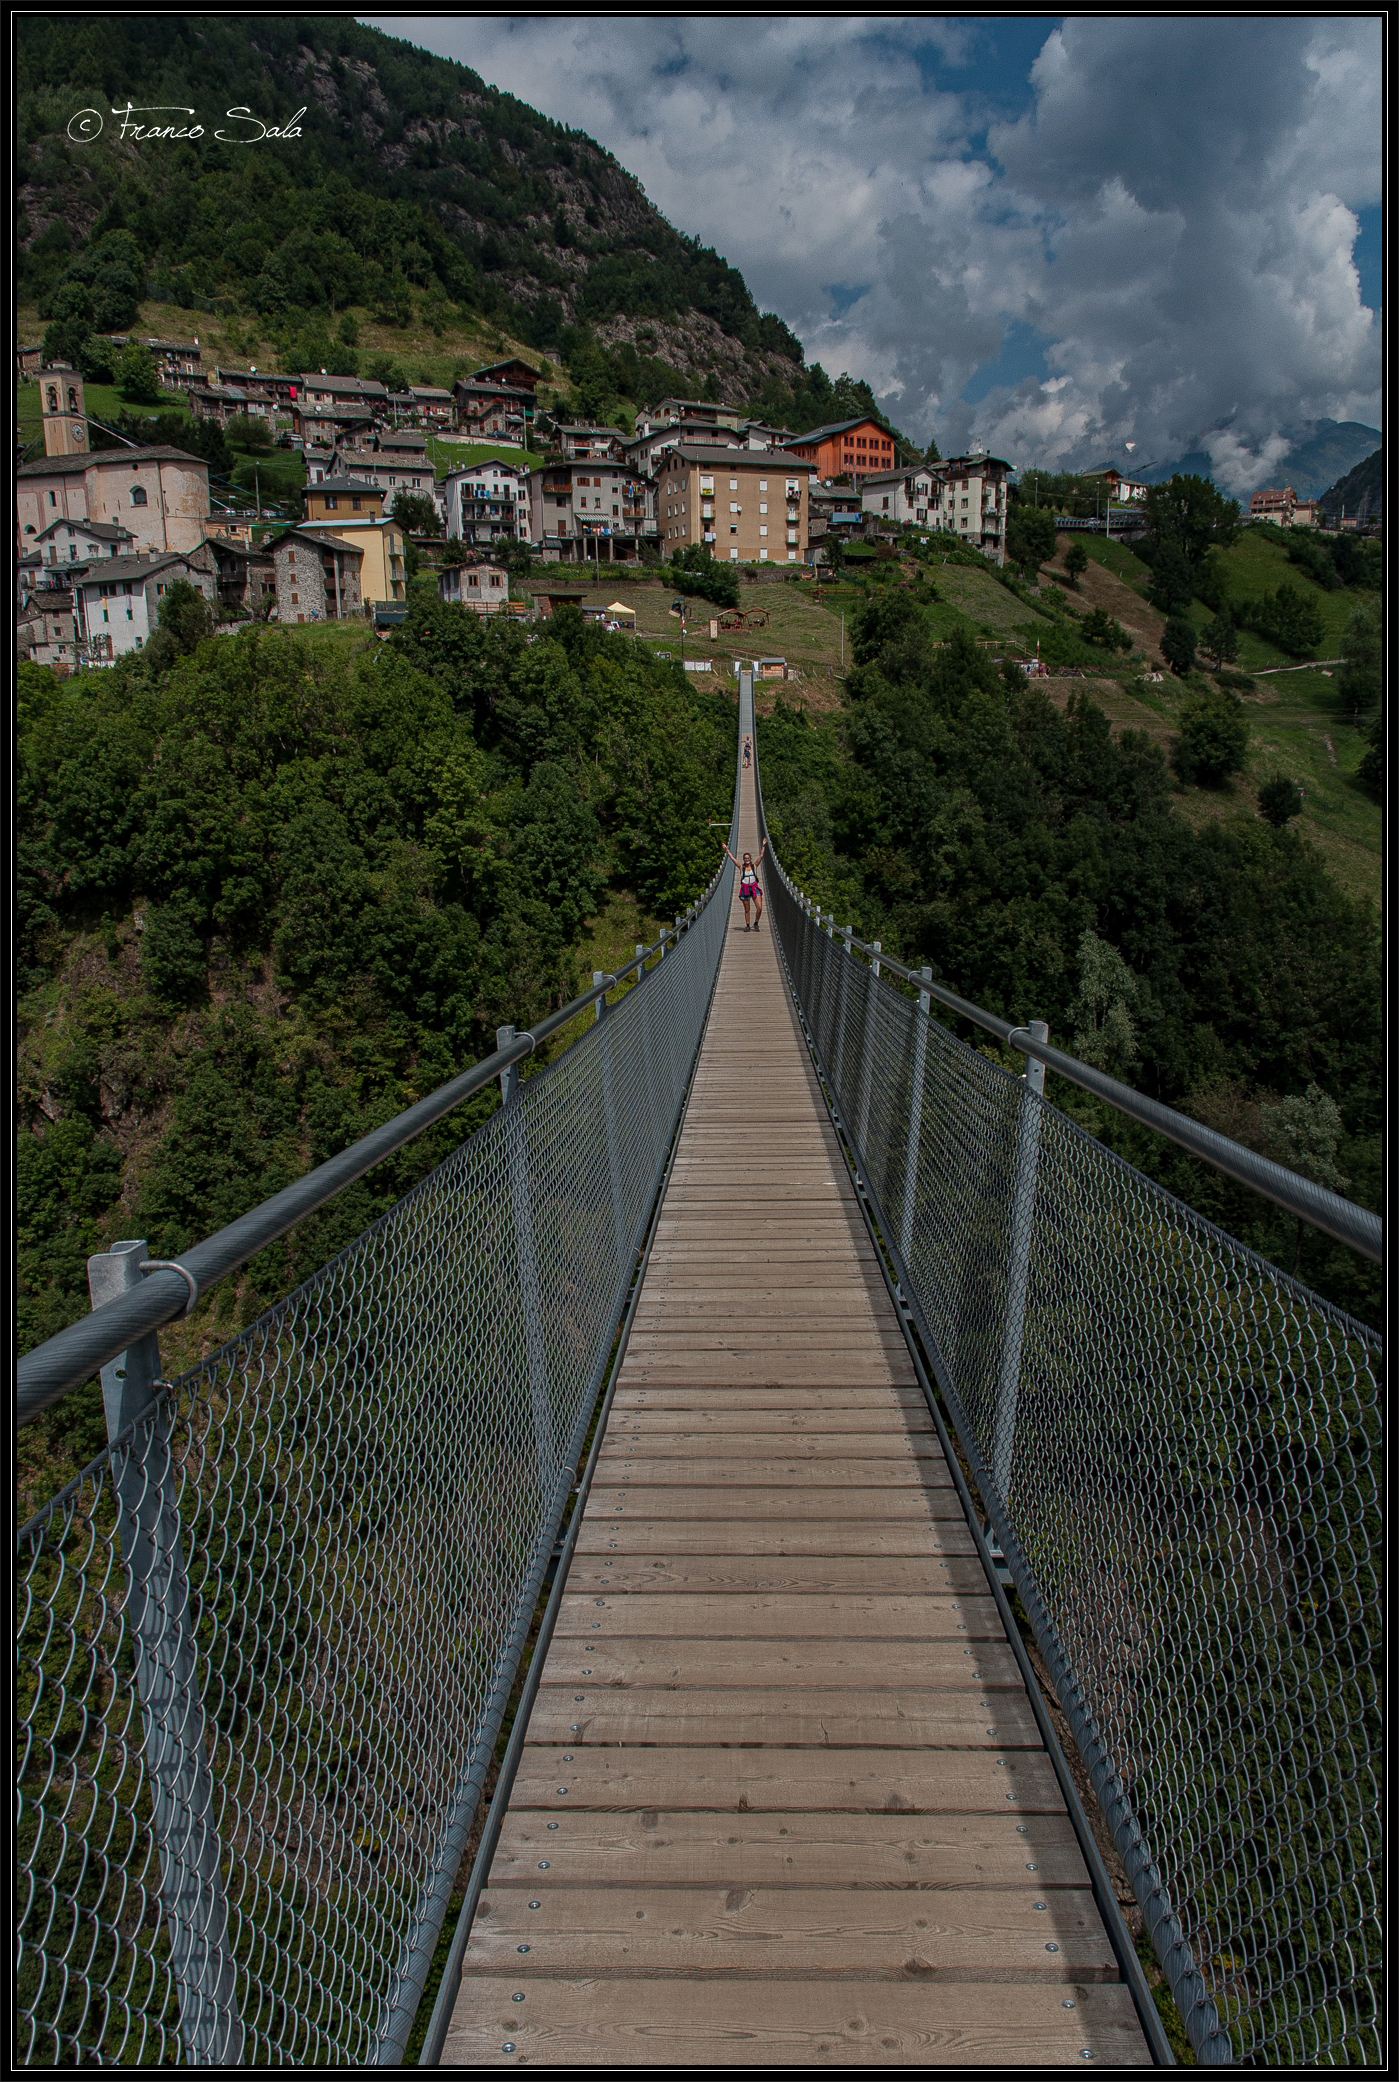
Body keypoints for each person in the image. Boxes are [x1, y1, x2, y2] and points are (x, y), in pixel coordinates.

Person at [724, 839, 767, 930]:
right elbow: (733, 859)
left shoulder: (754, 866)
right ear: (744, 860)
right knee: (747, 909)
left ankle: (756, 923)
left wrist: (763, 845)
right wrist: (727, 850)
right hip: (745, 889)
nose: (747, 860)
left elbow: (761, 856)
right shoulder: (741, 867)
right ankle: (747, 925)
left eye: (748, 858)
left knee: (759, 908)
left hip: (754, 887)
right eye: (745, 859)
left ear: (750, 859)